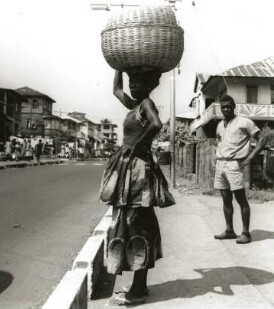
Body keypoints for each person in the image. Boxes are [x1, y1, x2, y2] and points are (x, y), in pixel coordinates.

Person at [99, 70, 175, 306]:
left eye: (138, 81)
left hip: (137, 171)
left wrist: (137, 145)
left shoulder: (146, 103)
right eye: (132, 81)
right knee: (136, 221)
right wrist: (118, 67)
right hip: (130, 169)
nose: (133, 85)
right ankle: (139, 286)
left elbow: (156, 124)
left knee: (136, 223)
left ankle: (137, 290)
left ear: (149, 85)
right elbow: (116, 90)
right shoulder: (134, 104)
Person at [213, 94, 266, 244]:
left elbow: (262, 140)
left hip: (234, 165)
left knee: (241, 199)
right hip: (221, 164)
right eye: (223, 107)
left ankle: (246, 233)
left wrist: (249, 158)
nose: (225, 109)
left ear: (234, 107)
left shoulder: (244, 122)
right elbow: (221, 143)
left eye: (228, 106)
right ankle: (229, 230)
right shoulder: (219, 125)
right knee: (225, 199)